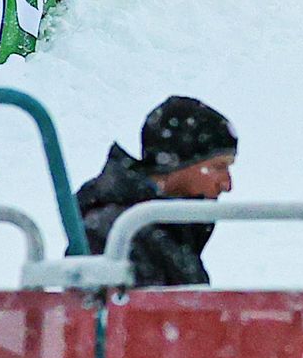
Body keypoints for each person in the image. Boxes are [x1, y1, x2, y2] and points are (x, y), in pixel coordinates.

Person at [77, 95, 239, 286]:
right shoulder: (120, 232)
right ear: (177, 164)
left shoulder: (168, 230)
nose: (227, 185)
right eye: (218, 167)